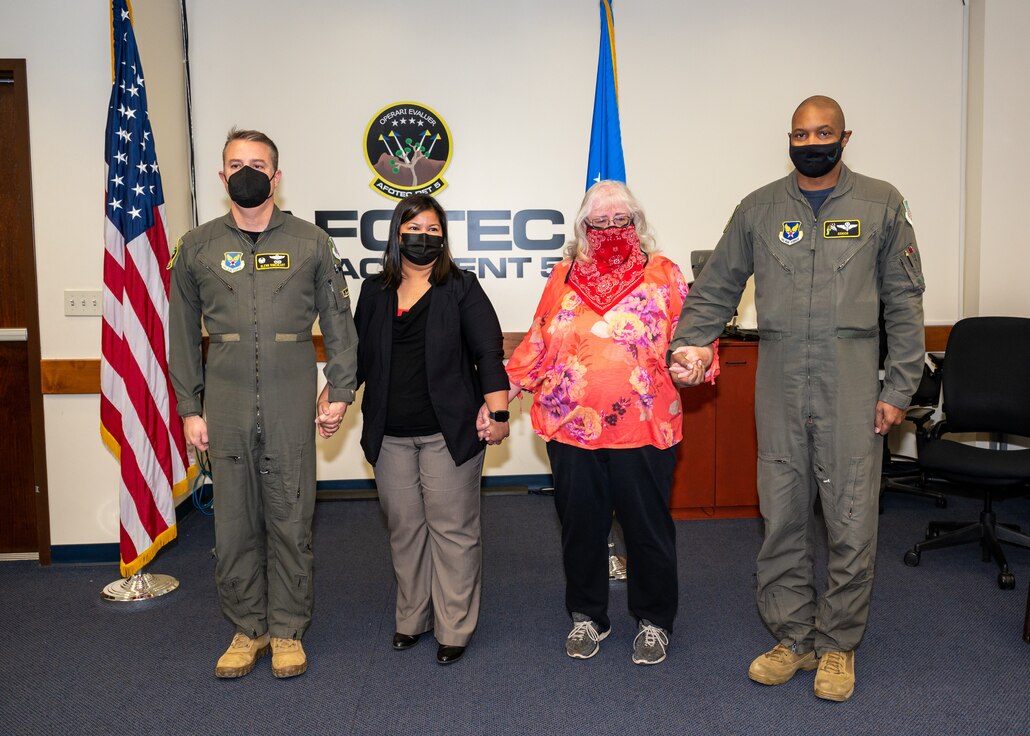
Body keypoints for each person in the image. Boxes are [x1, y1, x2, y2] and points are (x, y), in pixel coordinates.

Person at [669, 96, 926, 701]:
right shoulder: (759, 207)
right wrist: (690, 345)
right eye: (800, 133)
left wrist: (899, 386)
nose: (811, 142)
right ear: (789, 138)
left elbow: (905, 303)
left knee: (850, 518)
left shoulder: (881, 204)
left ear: (845, 136)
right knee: (781, 511)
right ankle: (792, 637)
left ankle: (838, 646)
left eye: (824, 132)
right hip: (780, 374)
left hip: (854, 375)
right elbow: (716, 288)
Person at [169, 128, 358, 679]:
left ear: (276, 177)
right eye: (236, 163)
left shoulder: (311, 243)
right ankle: (246, 628)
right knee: (232, 526)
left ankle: (287, 630)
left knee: (290, 518)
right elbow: (181, 334)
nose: (246, 171)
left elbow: (340, 326)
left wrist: (340, 389)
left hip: (288, 402)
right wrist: (189, 407)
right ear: (222, 176)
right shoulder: (197, 247)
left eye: (258, 163)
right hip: (223, 406)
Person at [505, 180, 714, 666]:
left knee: (647, 529)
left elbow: (695, 336)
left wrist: (696, 359)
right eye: (598, 223)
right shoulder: (562, 276)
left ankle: (654, 621)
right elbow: (538, 340)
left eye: (620, 221)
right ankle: (587, 616)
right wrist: (506, 390)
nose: (610, 230)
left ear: (637, 225)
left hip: (644, 427)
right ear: (582, 228)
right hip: (572, 429)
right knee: (581, 527)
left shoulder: (663, 274)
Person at [353, 194, 509, 666]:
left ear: (444, 238)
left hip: (448, 432)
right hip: (390, 433)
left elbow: (488, 352)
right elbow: (358, 359)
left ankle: (454, 626)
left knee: (452, 530)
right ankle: (411, 618)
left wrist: (499, 414)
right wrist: (332, 396)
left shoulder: (460, 287)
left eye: (434, 230)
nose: (424, 236)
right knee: (404, 528)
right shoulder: (374, 290)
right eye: (415, 227)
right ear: (397, 233)